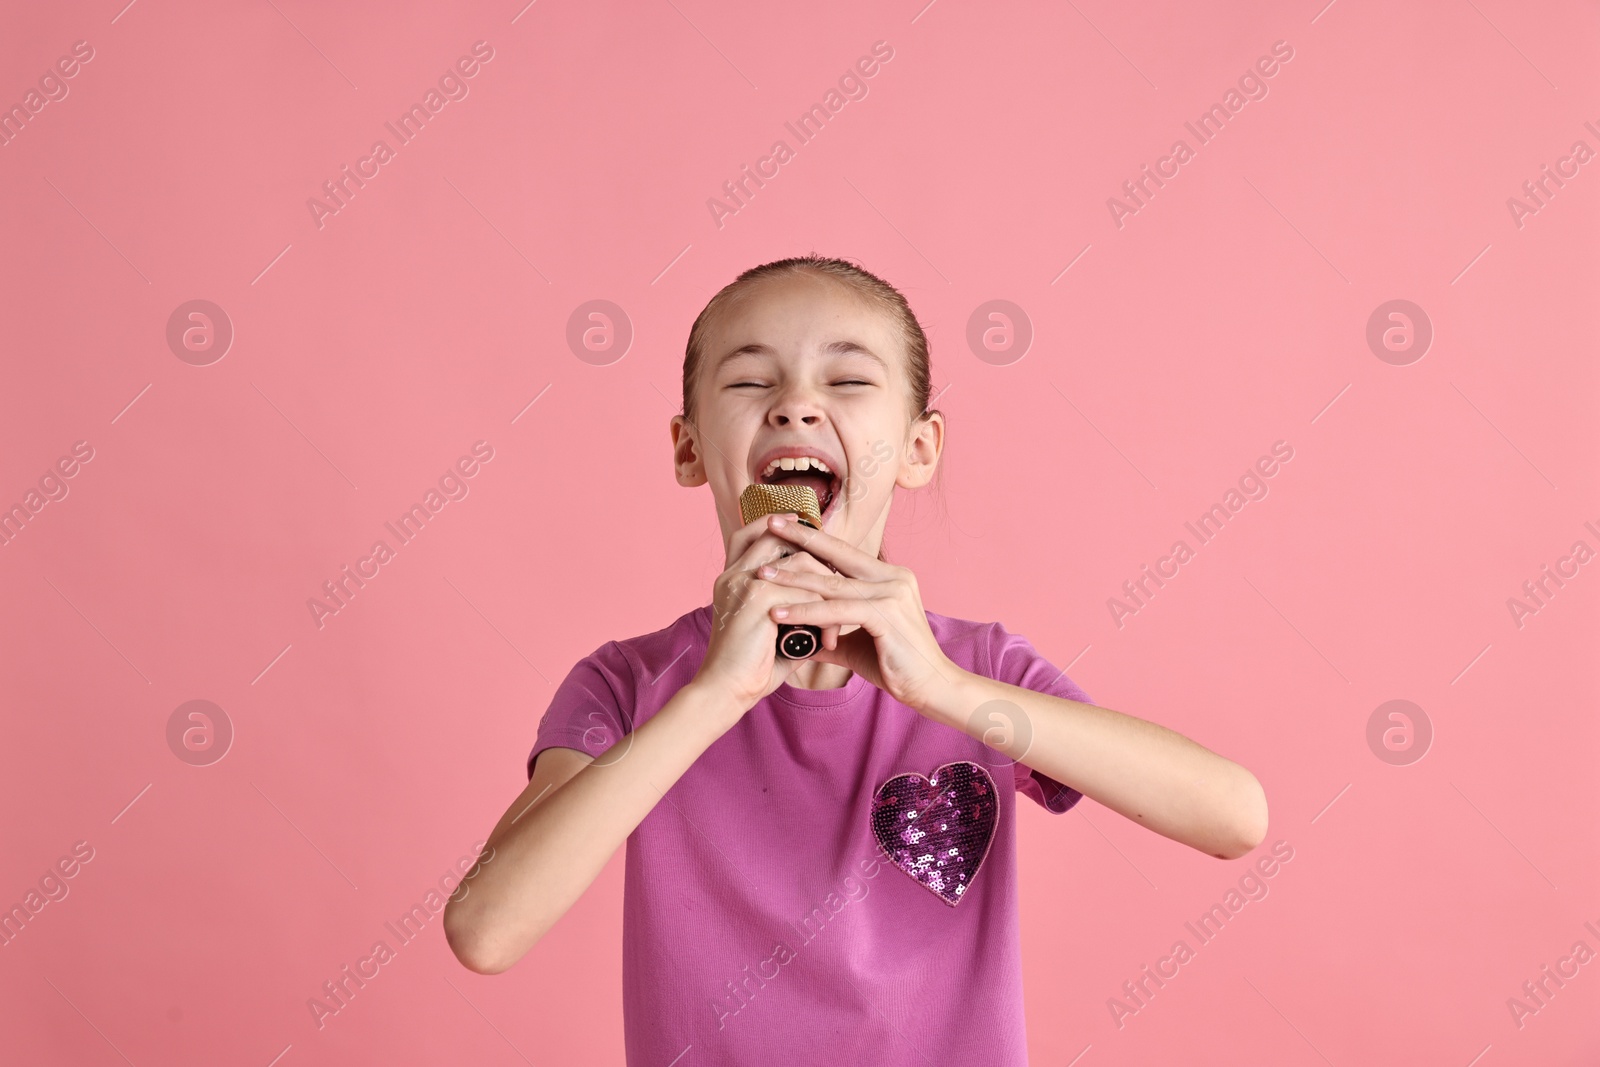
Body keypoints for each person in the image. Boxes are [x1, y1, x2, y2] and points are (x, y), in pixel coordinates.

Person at [443, 255, 1268, 1064]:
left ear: (917, 449)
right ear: (689, 449)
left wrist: (940, 687)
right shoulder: (628, 683)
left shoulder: (976, 667)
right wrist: (711, 696)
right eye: (749, 382)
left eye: (845, 382)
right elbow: (485, 930)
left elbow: (1234, 815)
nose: (796, 406)